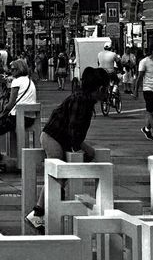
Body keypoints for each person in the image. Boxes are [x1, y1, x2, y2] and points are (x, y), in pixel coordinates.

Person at [25, 66, 106, 231]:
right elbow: (74, 128)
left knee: (66, 169)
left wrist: (82, 148)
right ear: (100, 88)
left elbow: (75, 132)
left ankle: (56, 195)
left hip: (59, 137)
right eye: (107, 89)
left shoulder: (84, 99)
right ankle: (37, 212)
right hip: (54, 137)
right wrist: (78, 148)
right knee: (58, 170)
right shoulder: (81, 100)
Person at [0, 59, 38, 163]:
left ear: (19, 69)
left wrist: (2, 111)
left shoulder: (16, 82)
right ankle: (14, 157)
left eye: (13, 69)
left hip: (17, 118)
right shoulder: (30, 81)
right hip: (30, 117)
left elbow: (10, 104)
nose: (11, 71)